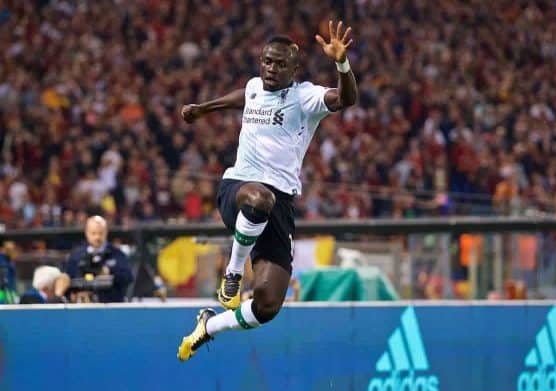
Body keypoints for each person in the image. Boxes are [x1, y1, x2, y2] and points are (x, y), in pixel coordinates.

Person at [177, 20, 358, 361]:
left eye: (279, 64)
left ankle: (208, 326)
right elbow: (243, 97)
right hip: (238, 190)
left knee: (268, 304)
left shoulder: (305, 97)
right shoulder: (255, 87)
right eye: (266, 62)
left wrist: (341, 64)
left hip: (281, 206)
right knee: (260, 197)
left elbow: (346, 98)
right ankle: (232, 273)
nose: (271, 69)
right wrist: (204, 108)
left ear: (295, 68)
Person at [64, 215, 133, 303]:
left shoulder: (117, 254)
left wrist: (110, 273)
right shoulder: (76, 256)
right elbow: (68, 280)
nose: (97, 237)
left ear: (106, 232)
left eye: (101, 233)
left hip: (111, 306)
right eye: (93, 233)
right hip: (83, 307)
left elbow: (128, 277)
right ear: (86, 232)